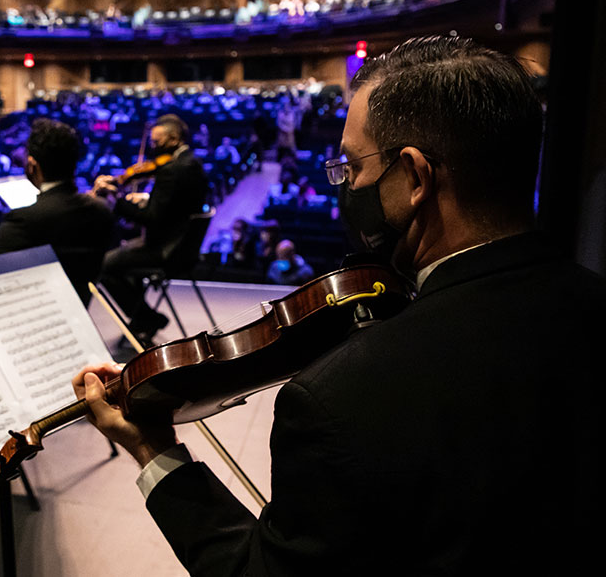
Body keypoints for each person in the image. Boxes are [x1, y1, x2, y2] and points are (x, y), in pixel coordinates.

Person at [72, 36, 606, 574]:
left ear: (416, 177)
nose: (346, 184)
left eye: (352, 166)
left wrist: (154, 450)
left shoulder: (339, 397)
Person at [0, 119, 116, 306]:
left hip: (32, 311)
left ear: (33, 165)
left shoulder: (27, 220)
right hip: (79, 312)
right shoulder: (101, 209)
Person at [93, 114, 209, 345]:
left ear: (173, 138)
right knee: (124, 258)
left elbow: (152, 219)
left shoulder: (172, 170)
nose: (153, 148)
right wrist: (147, 198)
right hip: (182, 246)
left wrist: (117, 199)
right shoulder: (192, 164)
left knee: (104, 265)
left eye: (156, 143)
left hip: (165, 250)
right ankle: (143, 318)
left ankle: (146, 318)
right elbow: (175, 206)